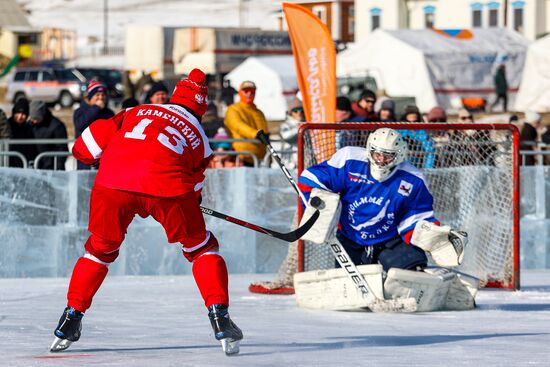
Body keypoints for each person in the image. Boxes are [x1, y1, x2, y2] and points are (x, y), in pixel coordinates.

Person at [50, 68, 243, 355]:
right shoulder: (200, 137)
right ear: (200, 108)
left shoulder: (136, 111)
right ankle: (220, 317)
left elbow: (85, 146)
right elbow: (194, 187)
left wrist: (95, 160)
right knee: (201, 248)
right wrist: (187, 203)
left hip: (113, 184)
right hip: (168, 190)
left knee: (99, 251)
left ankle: (70, 319)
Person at [297, 128, 466, 272]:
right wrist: (321, 207)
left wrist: (434, 237)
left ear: (398, 156)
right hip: (350, 237)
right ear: (369, 149)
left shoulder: (412, 179)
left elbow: (415, 216)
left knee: (413, 270)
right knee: (347, 286)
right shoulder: (349, 160)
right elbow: (311, 178)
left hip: (390, 240)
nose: (381, 160)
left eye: (388, 156)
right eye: (377, 154)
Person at [224, 80, 269, 167]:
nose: (249, 94)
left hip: (261, 159)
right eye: (246, 91)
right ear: (240, 93)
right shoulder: (233, 109)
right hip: (242, 158)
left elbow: (265, 133)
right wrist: (255, 134)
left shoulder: (259, 112)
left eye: (252, 91)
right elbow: (237, 125)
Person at [73, 80, 115, 170]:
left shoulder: (109, 113)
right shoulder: (80, 111)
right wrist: (95, 108)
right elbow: (80, 125)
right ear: (90, 97)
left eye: (103, 95)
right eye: (97, 95)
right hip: (85, 155)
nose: (101, 98)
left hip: (103, 157)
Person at [29, 101, 68, 170]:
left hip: (52, 167)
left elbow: (62, 148)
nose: (34, 121)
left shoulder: (56, 126)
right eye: (32, 119)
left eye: (37, 119)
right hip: (35, 166)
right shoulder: (30, 125)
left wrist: (58, 168)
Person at [7, 98, 37, 167]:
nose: (20, 117)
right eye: (18, 113)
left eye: (23, 114)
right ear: (13, 113)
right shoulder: (7, 126)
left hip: (24, 167)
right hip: (9, 165)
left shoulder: (29, 128)